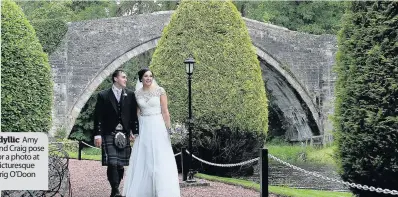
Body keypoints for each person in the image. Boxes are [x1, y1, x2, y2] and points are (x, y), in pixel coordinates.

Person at [123, 68, 181, 197]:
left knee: (161, 155)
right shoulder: (136, 94)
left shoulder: (160, 91)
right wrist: (134, 129)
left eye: (150, 76)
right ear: (141, 78)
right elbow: (136, 113)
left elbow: (165, 111)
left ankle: (162, 189)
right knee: (144, 155)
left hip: (158, 124)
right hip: (144, 126)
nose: (148, 78)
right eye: (145, 76)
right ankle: (144, 189)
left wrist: (169, 129)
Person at [93, 69, 139, 197]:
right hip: (109, 132)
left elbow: (133, 116)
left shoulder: (130, 94)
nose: (126, 79)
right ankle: (115, 190)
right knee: (112, 162)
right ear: (115, 78)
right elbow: (98, 117)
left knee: (120, 164)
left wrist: (134, 132)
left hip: (123, 133)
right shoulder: (103, 95)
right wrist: (98, 135)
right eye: (123, 77)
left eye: (126, 77)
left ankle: (116, 187)